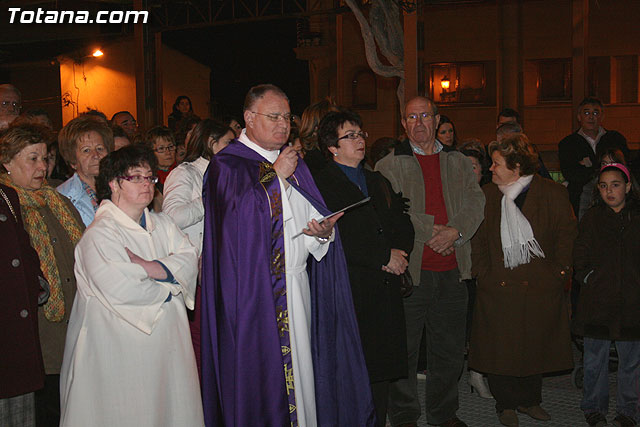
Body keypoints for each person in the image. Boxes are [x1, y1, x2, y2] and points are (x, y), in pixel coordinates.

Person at [201, 84, 375, 427]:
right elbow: (234, 229)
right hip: (257, 294)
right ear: (249, 118)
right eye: (274, 116)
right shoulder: (228, 165)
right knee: (268, 383)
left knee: (303, 378)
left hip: (297, 283)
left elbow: (305, 221)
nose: (283, 124)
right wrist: (273, 178)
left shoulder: (294, 163)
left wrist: (322, 235)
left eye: (287, 117)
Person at [59, 145, 203, 426]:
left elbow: (190, 259)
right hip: (117, 348)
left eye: (150, 177)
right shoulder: (99, 235)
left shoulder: (164, 224)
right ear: (113, 183)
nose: (146, 184)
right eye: (135, 177)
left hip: (168, 345)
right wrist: (172, 281)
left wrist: (151, 268)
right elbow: (123, 288)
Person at [375, 96, 485, 427]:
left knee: (449, 355)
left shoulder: (460, 162)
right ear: (403, 122)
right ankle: (405, 417)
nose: (419, 123)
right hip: (411, 274)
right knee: (404, 354)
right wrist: (431, 229)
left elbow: (475, 201)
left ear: (437, 121)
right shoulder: (388, 166)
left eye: (425, 115)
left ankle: (443, 415)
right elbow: (389, 214)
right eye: (411, 117)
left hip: (453, 273)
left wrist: (455, 231)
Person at [307, 109, 414, 426]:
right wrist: (383, 255)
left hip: (385, 287)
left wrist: (400, 251)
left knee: (380, 372)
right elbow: (337, 235)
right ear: (332, 146)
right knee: (354, 369)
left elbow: (401, 222)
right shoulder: (321, 184)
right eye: (349, 135)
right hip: (352, 287)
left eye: (360, 133)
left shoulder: (376, 179)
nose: (359, 140)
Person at [469, 133, 576, 427]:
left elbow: (566, 236)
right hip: (498, 285)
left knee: (535, 343)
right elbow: (477, 238)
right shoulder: (489, 194)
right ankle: (505, 404)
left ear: (516, 166)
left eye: (496, 163)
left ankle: (530, 400)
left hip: (540, 283)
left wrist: (560, 272)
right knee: (500, 347)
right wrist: (481, 271)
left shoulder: (553, 193)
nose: (491, 169)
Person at [0, 123, 84, 426]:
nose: (42, 166)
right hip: (38, 331)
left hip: (74, 325)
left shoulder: (57, 200)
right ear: (7, 163)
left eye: (45, 158)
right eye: (32, 159)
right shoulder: (8, 207)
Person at [163, 119, 234, 372]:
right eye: (229, 142)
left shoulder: (227, 174)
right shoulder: (186, 172)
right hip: (197, 273)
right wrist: (210, 198)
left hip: (224, 270)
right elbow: (172, 216)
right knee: (200, 347)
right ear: (211, 143)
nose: (234, 148)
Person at [572, 163, 640, 427]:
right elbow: (580, 253)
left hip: (632, 302)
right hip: (597, 301)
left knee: (631, 364)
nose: (609, 191)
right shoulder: (593, 218)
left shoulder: (637, 217)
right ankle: (593, 408)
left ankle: (628, 411)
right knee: (594, 362)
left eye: (615, 185)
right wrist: (587, 276)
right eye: (603, 186)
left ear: (628, 187)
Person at [0, 183, 47, 427]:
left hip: (16, 332)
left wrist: (36, 281)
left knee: (20, 416)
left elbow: (21, 249)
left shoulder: (6, 195)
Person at [559, 97, 629, 219]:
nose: (591, 117)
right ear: (579, 117)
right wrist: (599, 169)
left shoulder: (616, 139)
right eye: (586, 113)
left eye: (595, 113)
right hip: (581, 201)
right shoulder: (568, 143)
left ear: (602, 117)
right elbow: (571, 173)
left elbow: (625, 166)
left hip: (616, 197)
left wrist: (589, 167)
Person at [57, 115, 113, 226]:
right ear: (73, 160)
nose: (96, 155)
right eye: (86, 150)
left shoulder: (121, 186)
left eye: (100, 148)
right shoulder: (62, 197)